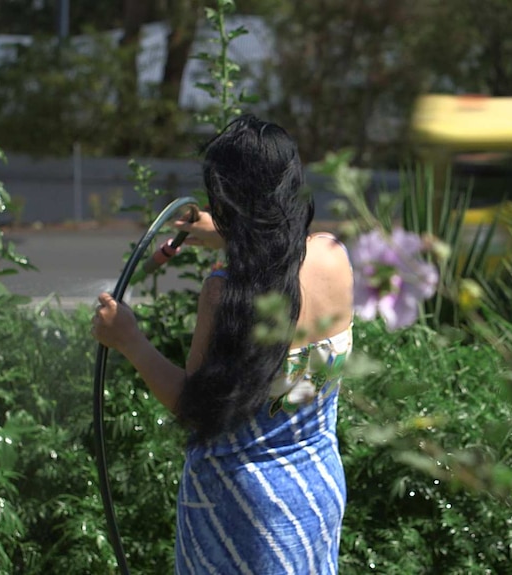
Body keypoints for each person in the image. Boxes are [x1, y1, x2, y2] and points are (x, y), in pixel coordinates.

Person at [91, 115, 354, 575]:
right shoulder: (333, 254)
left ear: (225, 197)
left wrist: (128, 339)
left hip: (239, 506)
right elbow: (283, 255)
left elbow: (192, 404)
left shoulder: (225, 291)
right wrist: (233, 233)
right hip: (314, 488)